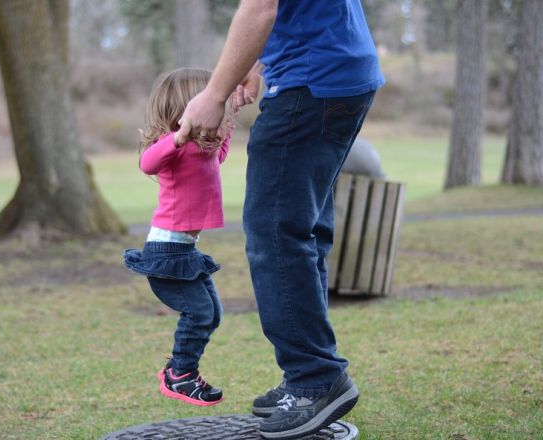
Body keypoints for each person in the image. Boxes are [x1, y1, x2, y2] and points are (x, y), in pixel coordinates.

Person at [175, 0, 385, 438]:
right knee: (302, 229)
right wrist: (255, 60)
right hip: (341, 73)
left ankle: (315, 378)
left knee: (275, 232)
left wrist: (214, 95)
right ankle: (308, 378)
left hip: (311, 82)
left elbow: (260, 7)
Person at [123, 68, 237, 407]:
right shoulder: (171, 148)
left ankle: (181, 370)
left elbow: (219, 155)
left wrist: (231, 118)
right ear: (187, 109)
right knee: (200, 313)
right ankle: (180, 374)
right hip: (166, 252)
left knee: (212, 313)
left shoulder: (202, 150)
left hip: (185, 251)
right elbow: (146, 163)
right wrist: (178, 137)